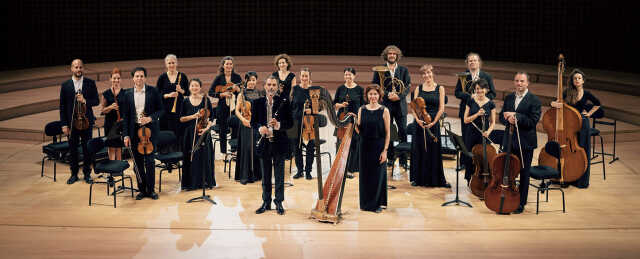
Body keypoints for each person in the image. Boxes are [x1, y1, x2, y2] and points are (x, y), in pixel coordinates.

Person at [550, 68, 601, 188]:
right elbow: (554, 102)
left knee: (582, 151)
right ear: (572, 81)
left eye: (579, 78)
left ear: (583, 81)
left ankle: (581, 181)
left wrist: (589, 114)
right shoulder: (568, 92)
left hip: (583, 125)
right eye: (575, 78)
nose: (577, 80)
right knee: (568, 152)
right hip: (570, 124)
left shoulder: (587, 93)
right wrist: (555, 104)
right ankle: (568, 177)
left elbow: (597, 103)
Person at [499, 72, 541, 214]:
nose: (519, 83)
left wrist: (517, 117)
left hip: (525, 143)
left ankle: (520, 202)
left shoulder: (534, 100)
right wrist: (506, 118)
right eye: (517, 81)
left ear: (527, 83)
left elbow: (533, 121)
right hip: (509, 140)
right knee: (508, 171)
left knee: (524, 173)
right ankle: (508, 196)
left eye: (522, 81)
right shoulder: (509, 98)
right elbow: (501, 116)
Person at [122, 67, 164, 200]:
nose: (139, 78)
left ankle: (151, 190)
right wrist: (126, 135)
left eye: (141, 76)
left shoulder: (153, 91)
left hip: (150, 132)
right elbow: (126, 116)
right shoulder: (127, 94)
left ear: (145, 78)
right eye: (137, 76)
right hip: (134, 132)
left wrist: (150, 118)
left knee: (150, 162)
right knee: (138, 163)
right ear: (133, 78)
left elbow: (161, 110)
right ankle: (142, 189)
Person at [253, 76, 293, 215]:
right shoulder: (257, 102)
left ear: (277, 87)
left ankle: (279, 202)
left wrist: (279, 125)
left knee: (280, 176)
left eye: (273, 85)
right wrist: (260, 128)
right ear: (265, 87)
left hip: (279, 143)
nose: (271, 87)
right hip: (264, 142)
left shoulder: (284, 102)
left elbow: (290, 123)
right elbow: (253, 122)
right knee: (265, 175)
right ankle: (266, 201)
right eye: (268, 84)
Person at [409, 65, 450, 188]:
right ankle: (418, 178)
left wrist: (434, 122)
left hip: (433, 121)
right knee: (419, 148)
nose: (427, 75)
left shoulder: (440, 88)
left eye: (428, 73)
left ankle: (436, 179)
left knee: (433, 150)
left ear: (432, 73)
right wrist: (418, 120)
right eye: (424, 74)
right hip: (420, 123)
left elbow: (441, 108)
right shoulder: (418, 88)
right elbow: (414, 107)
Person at [59, 59, 99, 184]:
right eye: (76, 67)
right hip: (72, 123)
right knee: (73, 149)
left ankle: (87, 173)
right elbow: (62, 106)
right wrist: (64, 124)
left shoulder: (90, 83)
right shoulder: (65, 86)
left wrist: (85, 100)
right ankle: (74, 174)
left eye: (80, 67)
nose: (78, 70)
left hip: (86, 122)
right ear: (71, 69)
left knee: (87, 148)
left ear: (83, 68)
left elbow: (96, 101)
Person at [455, 53, 496, 171]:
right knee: (465, 138)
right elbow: (457, 92)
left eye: (474, 60)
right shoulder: (463, 75)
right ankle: (465, 162)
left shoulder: (486, 76)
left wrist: (481, 96)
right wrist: (470, 97)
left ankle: (479, 164)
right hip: (467, 111)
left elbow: (493, 93)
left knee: (481, 140)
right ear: (467, 63)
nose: (472, 62)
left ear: (479, 62)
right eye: (470, 61)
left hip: (483, 112)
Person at [372, 45, 411, 169]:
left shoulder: (404, 70)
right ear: (386, 55)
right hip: (386, 105)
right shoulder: (379, 69)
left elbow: (408, 86)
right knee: (387, 132)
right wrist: (388, 94)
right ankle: (390, 157)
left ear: (397, 56)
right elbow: (375, 85)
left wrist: (399, 96)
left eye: (394, 54)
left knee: (403, 131)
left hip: (400, 105)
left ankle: (403, 159)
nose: (392, 55)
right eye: (390, 54)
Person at [357, 85, 390, 213]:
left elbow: (388, 133)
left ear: (379, 96)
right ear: (367, 96)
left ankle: (376, 204)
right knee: (365, 177)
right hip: (364, 146)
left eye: (375, 94)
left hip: (378, 146)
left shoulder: (384, 110)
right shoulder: (362, 109)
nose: (373, 97)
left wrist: (385, 150)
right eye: (370, 94)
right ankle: (365, 204)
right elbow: (359, 129)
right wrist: (352, 124)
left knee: (377, 176)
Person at [179, 78, 216, 191]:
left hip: (204, 132)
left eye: (197, 86)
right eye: (192, 86)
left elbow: (212, 118)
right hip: (190, 135)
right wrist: (193, 116)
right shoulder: (185, 101)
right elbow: (181, 119)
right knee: (191, 158)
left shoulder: (206, 100)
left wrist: (207, 128)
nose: (194, 88)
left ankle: (205, 182)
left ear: (200, 87)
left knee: (205, 157)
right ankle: (191, 183)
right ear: (189, 88)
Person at [463, 79, 496, 183]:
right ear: (475, 89)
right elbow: (465, 120)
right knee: (470, 158)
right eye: (477, 89)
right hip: (471, 133)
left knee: (482, 159)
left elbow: (493, 123)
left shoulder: (491, 104)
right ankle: (469, 180)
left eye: (482, 89)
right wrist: (477, 114)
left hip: (483, 135)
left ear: (486, 89)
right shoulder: (471, 101)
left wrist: (488, 132)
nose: (479, 91)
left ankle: (481, 181)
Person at [333, 67, 364, 179]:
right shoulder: (340, 88)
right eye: (346, 75)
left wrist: (358, 117)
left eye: (350, 75)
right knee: (340, 143)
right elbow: (334, 104)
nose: (348, 77)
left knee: (354, 145)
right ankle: (340, 168)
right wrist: (341, 105)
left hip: (354, 120)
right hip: (341, 120)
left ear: (354, 76)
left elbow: (363, 106)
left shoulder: (359, 89)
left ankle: (351, 169)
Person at [234, 71, 264, 184]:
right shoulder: (242, 94)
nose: (252, 82)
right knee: (247, 149)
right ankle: (245, 176)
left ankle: (256, 175)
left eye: (254, 80)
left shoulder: (259, 93)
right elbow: (237, 110)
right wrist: (243, 120)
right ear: (246, 81)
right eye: (250, 80)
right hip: (245, 124)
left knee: (256, 148)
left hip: (256, 124)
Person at [208, 56, 242, 155]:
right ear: (223, 65)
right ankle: (223, 152)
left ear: (233, 65)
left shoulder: (237, 77)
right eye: (227, 64)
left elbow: (241, 92)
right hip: (222, 108)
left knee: (235, 127)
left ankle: (234, 150)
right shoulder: (219, 78)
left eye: (230, 64)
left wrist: (238, 90)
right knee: (222, 130)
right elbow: (211, 92)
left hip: (235, 107)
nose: (229, 66)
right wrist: (222, 94)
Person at [290, 68, 317, 180]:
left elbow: (316, 108)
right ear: (300, 77)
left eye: (306, 76)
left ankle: (308, 171)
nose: (304, 78)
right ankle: (300, 170)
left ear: (310, 77)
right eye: (303, 76)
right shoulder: (295, 89)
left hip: (309, 123)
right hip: (296, 121)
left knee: (310, 147)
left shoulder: (314, 90)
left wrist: (312, 110)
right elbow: (291, 106)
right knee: (297, 147)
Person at [156, 54, 189, 144]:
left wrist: (181, 90)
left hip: (179, 109)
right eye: (169, 63)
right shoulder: (162, 77)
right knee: (166, 130)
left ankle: (179, 152)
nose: (171, 65)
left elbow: (188, 93)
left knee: (179, 130)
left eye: (173, 63)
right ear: (166, 64)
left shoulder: (182, 76)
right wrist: (168, 95)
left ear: (176, 63)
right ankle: (166, 152)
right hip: (165, 110)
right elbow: (157, 94)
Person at [100, 67, 125, 161]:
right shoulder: (106, 93)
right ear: (110, 79)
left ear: (121, 79)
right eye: (114, 78)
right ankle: (112, 169)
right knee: (111, 147)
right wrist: (110, 107)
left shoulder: (125, 93)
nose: (116, 80)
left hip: (120, 124)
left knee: (119, 147)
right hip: (110, 124)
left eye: (118, 78)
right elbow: (102, 111)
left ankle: (118, 169)